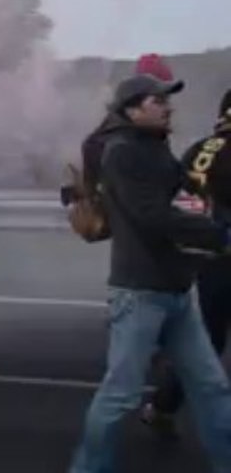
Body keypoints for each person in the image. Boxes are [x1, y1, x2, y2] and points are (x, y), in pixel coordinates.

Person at [69, 75, 231, 471]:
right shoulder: (122, 153)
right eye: (157, 100)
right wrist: (219, 234)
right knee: (120, 394)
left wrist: (206, 218)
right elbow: (152, 216)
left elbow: (186, 201)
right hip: (140, 292)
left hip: (178, 289)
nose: (168, 106)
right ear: (132, 110)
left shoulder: (157, 149)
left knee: (212, 387)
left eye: (166, 100)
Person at [142, 87, 231, 437]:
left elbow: (175, 199)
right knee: (206, 343)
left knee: (208, 338)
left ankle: (163, 405)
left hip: (201, 253)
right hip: (223, 248)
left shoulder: (200, 149)